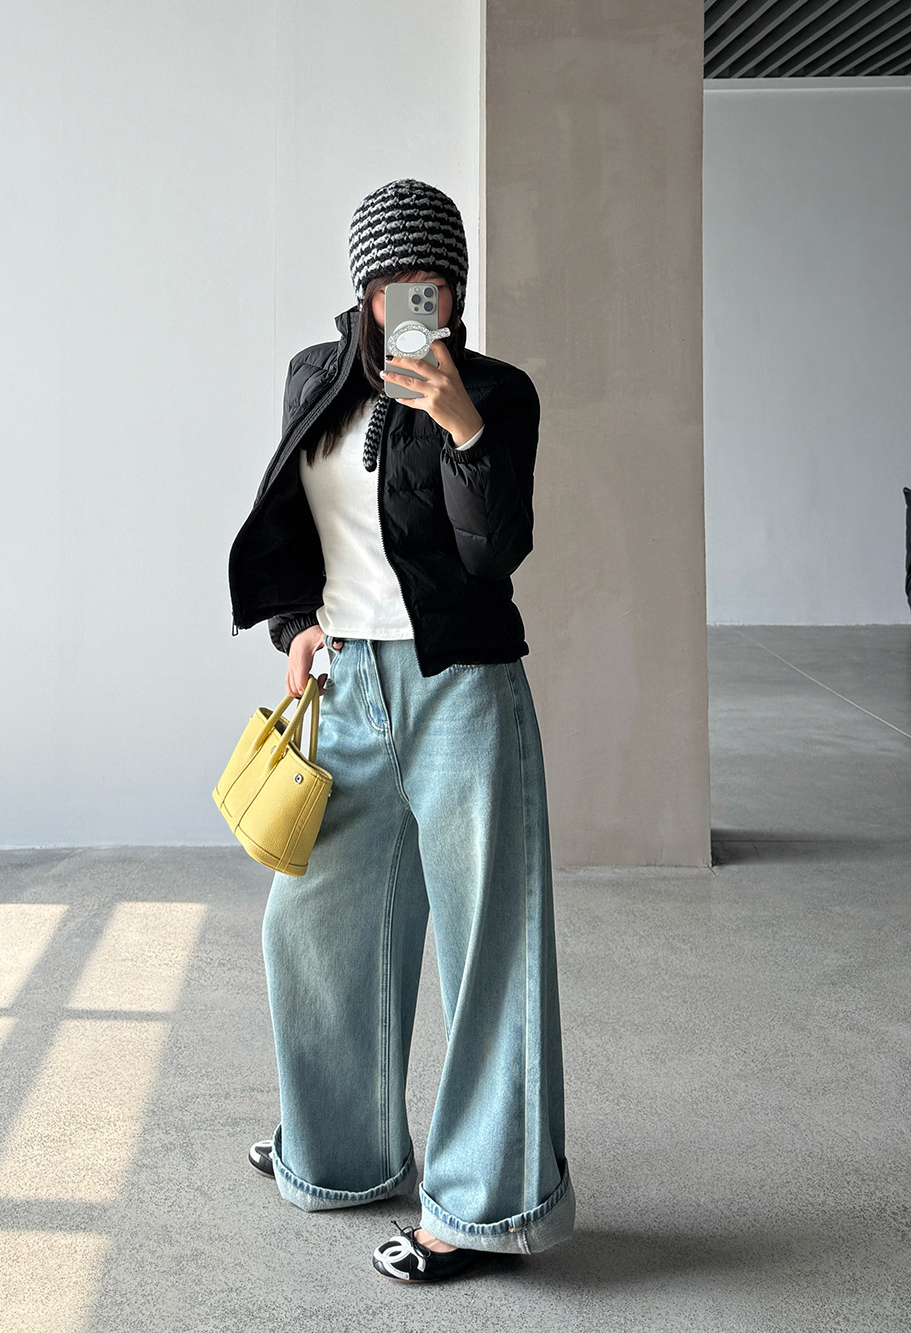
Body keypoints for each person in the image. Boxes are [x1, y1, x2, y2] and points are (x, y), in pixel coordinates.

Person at [227, 178, 574, 1283]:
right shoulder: (314, 380)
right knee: (315, 927)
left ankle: (481, 1208)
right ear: (365, 289)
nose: (415, 299)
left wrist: (462, 425)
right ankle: (339, 1150)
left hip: (463, 685)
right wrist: (295, 626)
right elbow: (293, 523)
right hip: (346, 688)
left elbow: (492, 552)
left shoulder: (498, 392)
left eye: (435, 281)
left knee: (489, 945)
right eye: (394, 281)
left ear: (456, 289)